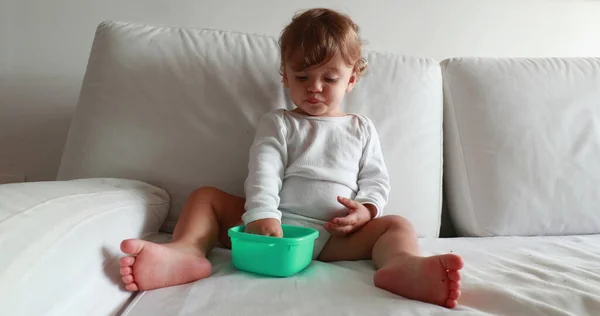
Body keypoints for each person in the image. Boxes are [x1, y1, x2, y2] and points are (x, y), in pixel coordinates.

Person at [119, 8, 464, 308]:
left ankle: (403, 265)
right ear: (285, 76)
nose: (314, 87)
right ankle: (186, 252)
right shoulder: (280, 122)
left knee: (398, 225)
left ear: (352, 78)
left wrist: (366, 211)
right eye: (302, 77)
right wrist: (262, 215)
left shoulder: (361, 128)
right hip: (271, 228)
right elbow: (263, 172)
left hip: (335, 237)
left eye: (329, 78)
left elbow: (376, 179)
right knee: (204, 198)